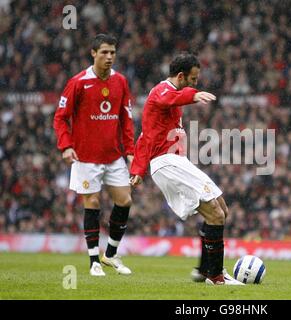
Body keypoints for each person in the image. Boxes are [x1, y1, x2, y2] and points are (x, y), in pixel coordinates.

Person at [130, 52, 243, 285]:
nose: (196, 83)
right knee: (215, 213)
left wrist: (137, 171)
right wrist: (193, 95)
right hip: (167, 162)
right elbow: (170, 98)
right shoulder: (160, 92)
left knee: (222, 209)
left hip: (177, 161)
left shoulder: (169, 100)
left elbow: (144, 137)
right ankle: (216, 276)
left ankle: (205, 269)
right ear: (181, 76)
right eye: (193, 79)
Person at [53, 34, 134, 276]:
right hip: (85, 157)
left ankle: (109, 254)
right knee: (93, 203)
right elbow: (60, 117)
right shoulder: (78, 82)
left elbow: (126, 120)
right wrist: (66, 146)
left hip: (113, 156)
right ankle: (93, 262)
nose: (109, 57)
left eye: (112, 53)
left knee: (125, 201)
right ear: (93, 53)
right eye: (104, 53)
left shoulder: (120, 81)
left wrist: (130, 151)